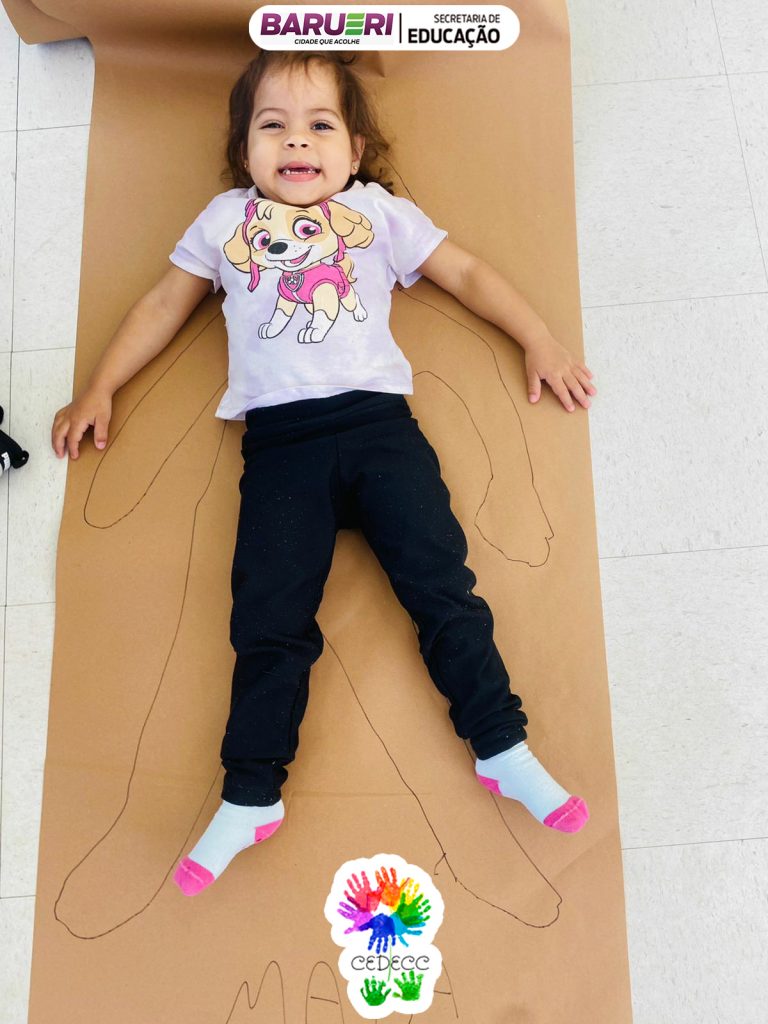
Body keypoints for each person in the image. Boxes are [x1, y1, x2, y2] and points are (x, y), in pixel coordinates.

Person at [51, 52, 597, 898]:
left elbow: (465, 272)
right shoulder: (225, 222)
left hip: (381, 433)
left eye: (319, 125)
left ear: (355, 150)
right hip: (279, 450)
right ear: (244, 152)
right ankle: (250, 794)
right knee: (267, 623)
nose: (296, 142)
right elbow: (163, 303)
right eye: (272, 126)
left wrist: (539, 338)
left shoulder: (376, 213)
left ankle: (503, 747)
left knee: (442, 591)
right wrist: (101, 386)